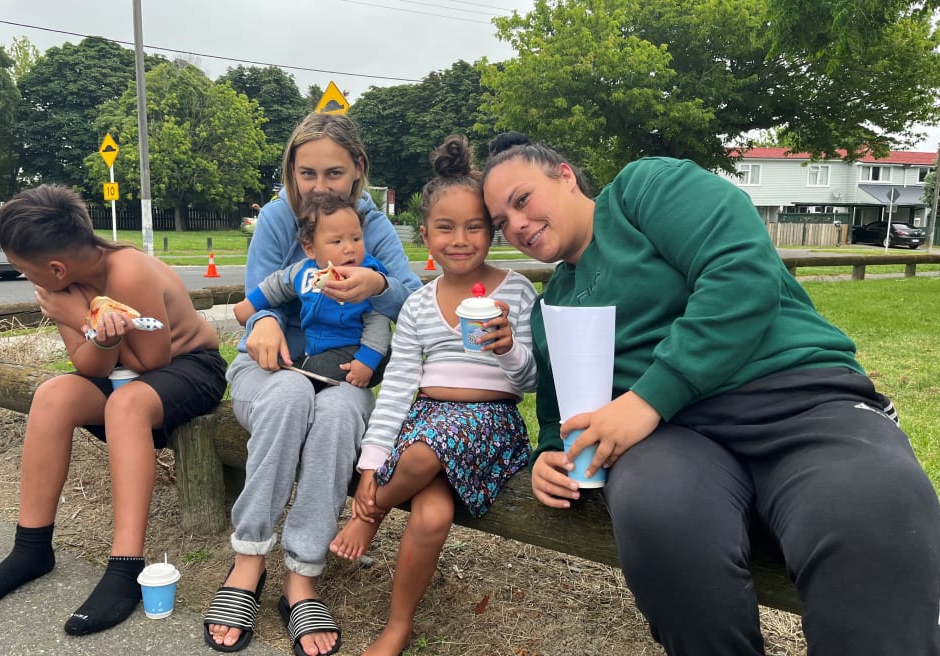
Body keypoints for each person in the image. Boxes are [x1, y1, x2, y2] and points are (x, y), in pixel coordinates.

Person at [480, 132, 940, 656]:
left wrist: (649, 398)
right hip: (673, 441)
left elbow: (741, 270)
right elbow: (562, 412)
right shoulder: (550, 307)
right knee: (660, 518)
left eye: (522, 200)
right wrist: (549, 456)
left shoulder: (644, 188)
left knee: (871, 515)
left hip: (798, 399)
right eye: (500, 222)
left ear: (564, 175)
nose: (515, 224)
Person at [0, 184, 227, 635]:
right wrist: (96, 332)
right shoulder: (66, 287)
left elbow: (153, 361)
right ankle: (31, 548)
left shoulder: (127, 270)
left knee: (125, 404)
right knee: (53, 395)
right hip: (129, 373)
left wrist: (78, 318)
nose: (26, 278)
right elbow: (88, 363)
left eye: (22, 269)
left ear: (56, 266)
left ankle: (125, 568)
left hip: (190, 368)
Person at [204, 112, 422, 655]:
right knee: (291, 394)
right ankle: (248, 560)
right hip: (273, 369)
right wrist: (265, 320)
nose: (319, 186)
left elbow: (415, 303)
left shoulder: (371, 225)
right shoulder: (281, 218)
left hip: (345, 368)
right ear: (290, 173)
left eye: (333, 173)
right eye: (307, 174)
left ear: (357, 171)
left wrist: (378, 285)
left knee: (342, 412)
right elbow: (258, 296)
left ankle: (302, 572)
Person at [329, 134, 537, 656]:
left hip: (490, 421)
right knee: (432, 516)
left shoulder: (515, 291)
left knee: (421, 454)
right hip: (428, 415)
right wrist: (374, 462)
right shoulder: (419, 304)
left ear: (491, 232)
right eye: (445, 228)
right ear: (425, 235)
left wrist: (509, 348)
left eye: (474, 227)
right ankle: (398, 625)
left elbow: (531, 379)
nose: (460, 239)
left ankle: (366, 516)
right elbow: (398, 387)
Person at [232, 190, 391, 389]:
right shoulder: (304, 271)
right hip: (317, 350)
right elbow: (278, 284)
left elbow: (378, 320)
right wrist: (249, 305)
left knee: (305, 378)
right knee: (295, 367)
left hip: (359, 350)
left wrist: (367, 361)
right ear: (310, 249)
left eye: (356, 239)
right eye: (337, 241)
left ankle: (305, 380)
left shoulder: (364, 276)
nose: (349, 248)